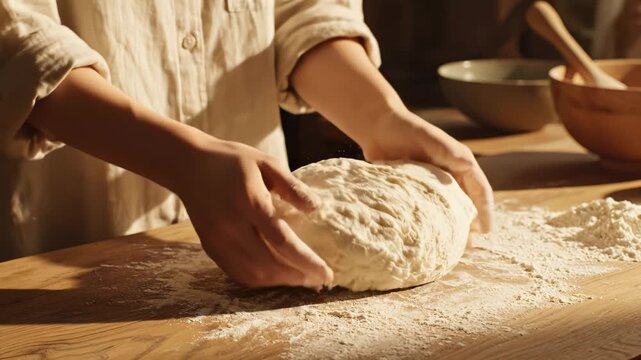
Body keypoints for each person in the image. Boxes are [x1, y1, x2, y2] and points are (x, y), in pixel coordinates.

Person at [0, 0, 493, 289]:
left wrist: (379, 115)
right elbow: (16, 41)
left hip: (265, 209)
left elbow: (302, 9)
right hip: (68, 235)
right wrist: (179, 159)